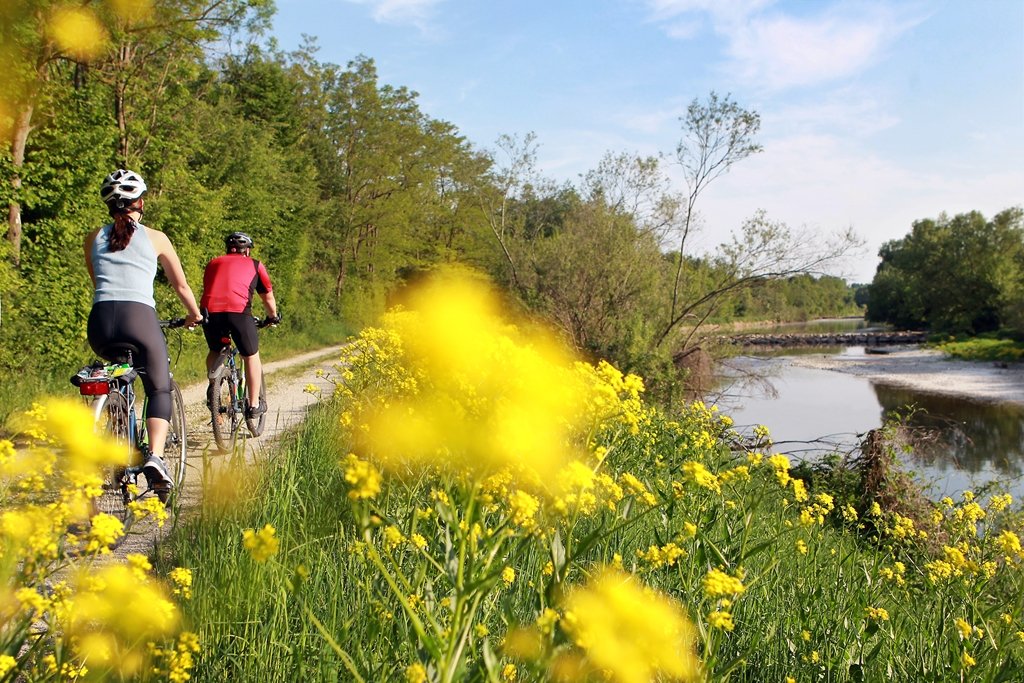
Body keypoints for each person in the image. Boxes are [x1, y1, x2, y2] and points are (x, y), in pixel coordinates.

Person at [85, 168, 203, 493]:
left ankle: (117, 436)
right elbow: (180, 286)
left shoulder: (93, 237)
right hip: (139, 318)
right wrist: (194, 315)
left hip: (100, 322)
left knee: (116, 376)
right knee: (158, 388)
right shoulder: (156, 237)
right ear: (139, 202)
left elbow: (99, 283)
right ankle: (157, 457)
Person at [200, 232, 279, 418]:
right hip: (238, 313)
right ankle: (253, 405)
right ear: (248, 250)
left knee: (215, 349)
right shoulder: (255, 264)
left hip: (210, 313)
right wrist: (272, 317)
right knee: (251, 356)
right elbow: (267, 296)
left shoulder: (213, 263)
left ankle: (214, 387)